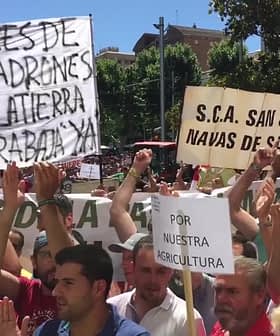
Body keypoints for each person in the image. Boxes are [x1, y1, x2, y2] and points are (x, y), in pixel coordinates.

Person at [33, 244, 150, 336]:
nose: (55, 292)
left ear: (99, 288)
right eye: (56, 282)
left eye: (68, 283)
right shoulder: (46, 332)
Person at [108, 235, 206, 336]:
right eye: (146, 271)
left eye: (161, 272)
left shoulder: (187, 319)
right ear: (133, 268)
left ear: (171, 271)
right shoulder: (111, 309)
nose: (153, 280)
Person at [210, 256, 272, 336]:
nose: (221, 298)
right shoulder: (219, 329)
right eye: (218, 290)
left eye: (232, 291)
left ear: (259, 296)